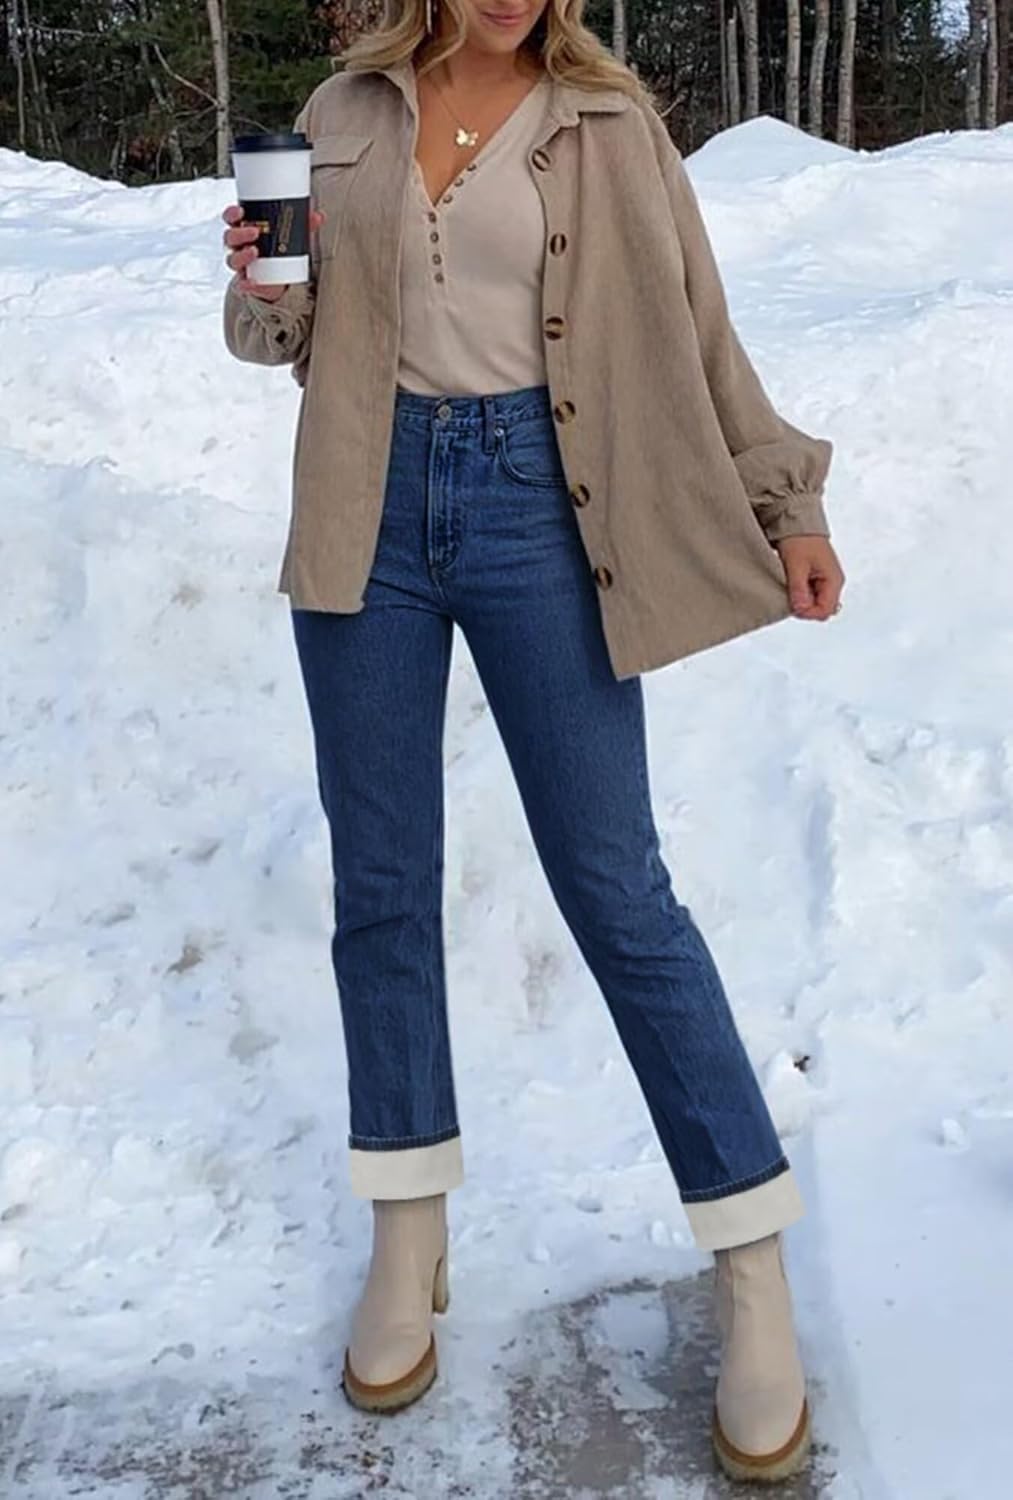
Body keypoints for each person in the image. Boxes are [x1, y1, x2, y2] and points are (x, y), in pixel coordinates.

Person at [221, 0, 845, 1483]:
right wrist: (256, 283)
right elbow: (284, 342)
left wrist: (787, 501)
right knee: (381, 884)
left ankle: (749, 1266)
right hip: (367, 506)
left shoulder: (611, 126)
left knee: (619, 892)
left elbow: (700, 330)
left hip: (543, 512)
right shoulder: (341, 113)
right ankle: (407, 1229)